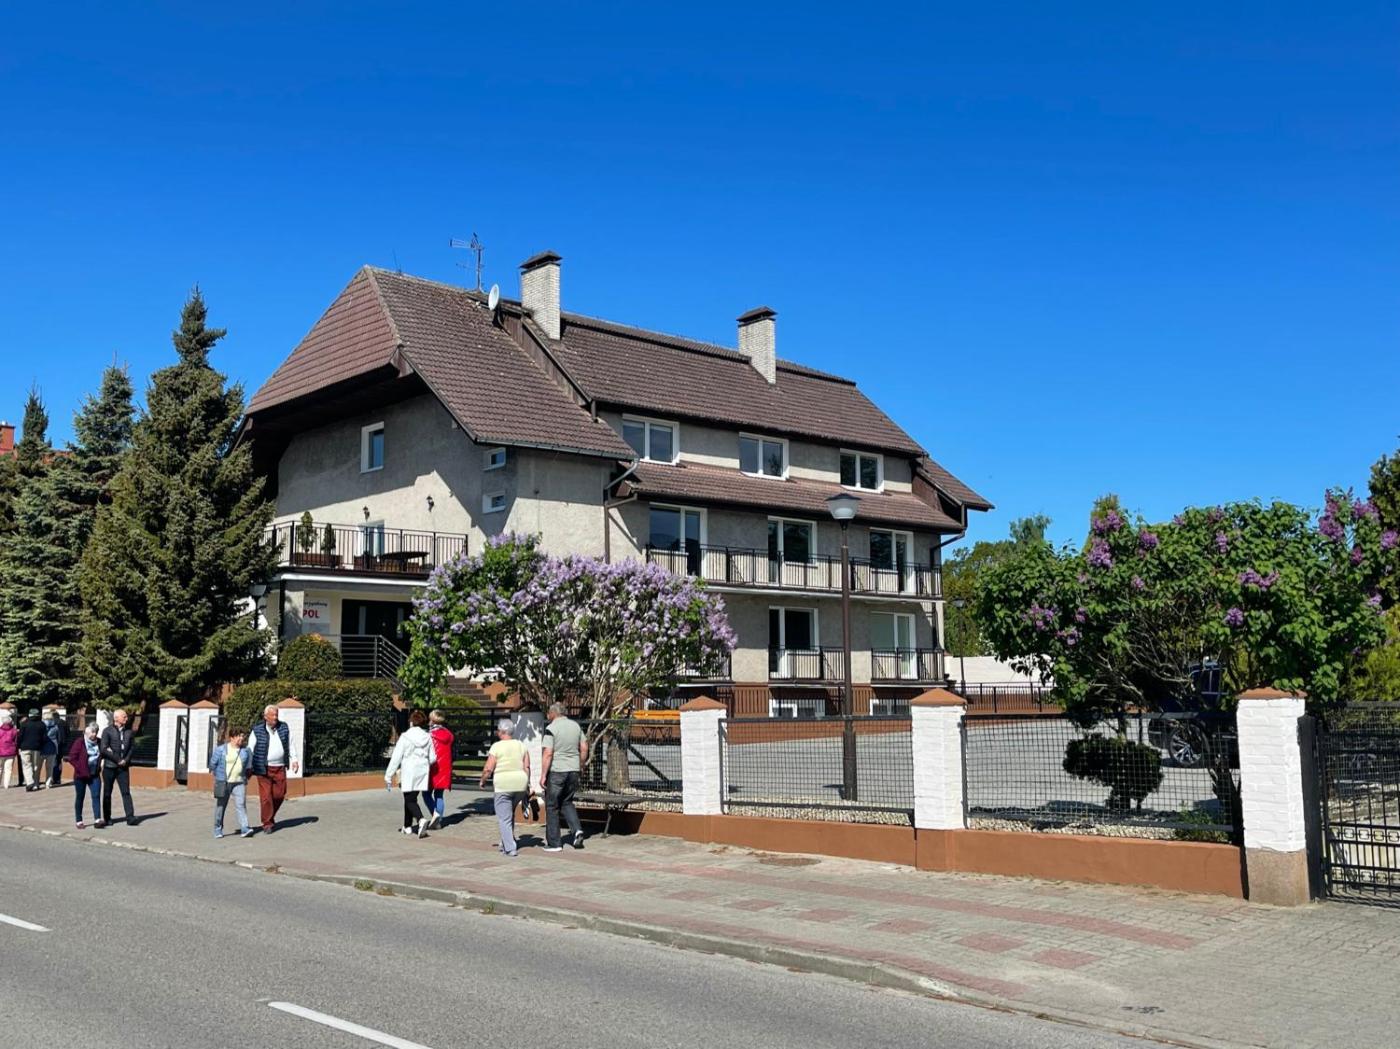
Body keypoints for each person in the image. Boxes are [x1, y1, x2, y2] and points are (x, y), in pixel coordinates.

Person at [540, 701, 587, 852]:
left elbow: (548, 753)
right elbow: (584, 747)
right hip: (573, 770)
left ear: (554, 713)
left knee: (552, 805)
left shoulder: (551, 728)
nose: (548, 715)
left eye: (548, 712)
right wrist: (581, 765)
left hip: (558, 770)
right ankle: (577, 830)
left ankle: (554, 843)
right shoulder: (576, 726)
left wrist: (543, 775)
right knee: (567, 801)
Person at [478, 718, 530, 857]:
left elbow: (489, 768)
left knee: (504, 818)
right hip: (520, 784)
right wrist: (527, 784)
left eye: (498, 730)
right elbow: (526, 767)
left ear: (501, 731)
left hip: (503, 785)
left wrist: (483, 780)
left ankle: (510, 848)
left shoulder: (496, 746)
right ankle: (505, 842)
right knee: (509, 814)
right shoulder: (521, 745)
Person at [247, 705, 299, 834]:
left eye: (276, 715)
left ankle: (269, 816)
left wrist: (294, 759)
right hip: (263, 767)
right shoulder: (257, 730)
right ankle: (267, 823)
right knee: (266, 797)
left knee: (279, 794)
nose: (275, 717)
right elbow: (250, 748)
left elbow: (290, 744)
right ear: (265, 717)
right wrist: (248, 765)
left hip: (280, 767)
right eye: (272, 715)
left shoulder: (284, 727)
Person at [385, 709, 435, 838]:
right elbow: (433, 758)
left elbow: (396, 757)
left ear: (411, 722)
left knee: (409, 799)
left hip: (409, 770)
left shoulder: (405, 737)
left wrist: (388, 775)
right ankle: (407, 826)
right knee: (411, 798)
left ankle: (420, 819)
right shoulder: (428, 737)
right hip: (422, 771)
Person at [210, 728, 253, 839]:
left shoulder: (245, 751)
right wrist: (218, 777)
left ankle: (245, 828)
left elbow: (248, 766)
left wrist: (246, 776)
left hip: (239, 782)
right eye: (239, 736)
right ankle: (217, 829)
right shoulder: (221, 750)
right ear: (232, 737)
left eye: (242, 736)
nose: (241, 738)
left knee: (241, 805)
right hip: (224, 782)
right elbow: (213, 764)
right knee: (221, 806)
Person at [98, 708, 136, 827]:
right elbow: (104, 749)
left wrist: (126, 760)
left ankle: (130, 817)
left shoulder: (128, 732)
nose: (126, 718)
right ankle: (107, 818)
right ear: (116, 718)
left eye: (126, 716)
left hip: (123, 768)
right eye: (124, 716)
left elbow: (132, 748)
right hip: (110, 767)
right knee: (107, 793)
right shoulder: (107, 731)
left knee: (126, 792)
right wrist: (118, 759)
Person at [66, 724, 102, 828]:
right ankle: (79, 820)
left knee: (96, 795)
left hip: (94, 774)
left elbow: (103, 753)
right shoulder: (80, 742)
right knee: (80, 797)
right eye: (92, 732)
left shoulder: (99, 742)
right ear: (86, 733)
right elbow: (72, 758)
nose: (94, 734)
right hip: (81, 775)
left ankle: (97, 819)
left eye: (95, 732)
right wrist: (80, 768)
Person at [422, 709, 454, 830]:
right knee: (439, 795)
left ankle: (435, 815)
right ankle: (438, 819)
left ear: (432, 720)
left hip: (433, 767)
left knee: (426, 794)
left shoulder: (429, 735)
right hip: (445, 768)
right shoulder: (449, 735)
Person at [18, 709, 48, 793]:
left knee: (26, 765)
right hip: (37, 748)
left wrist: (19, 746)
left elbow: (20, 736)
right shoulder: (42, 724)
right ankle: (35, 784)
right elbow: (44, 738)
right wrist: (41, 745)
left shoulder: (24, 724)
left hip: (25, 748)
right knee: (36, 766)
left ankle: (29, 782)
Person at [44, 707, 68, 788]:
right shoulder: (64, 722)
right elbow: (68, 733)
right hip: (62, 744)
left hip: (54, 744)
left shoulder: (53, 723)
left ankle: (53, 778)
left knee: (53, 762)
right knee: (59, 762)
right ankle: (58, 778)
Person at [0, 711, 17, 789]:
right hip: (11, 752)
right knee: (8, 769)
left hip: (0, 752)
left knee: (0, 768)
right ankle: (6, 785)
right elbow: (16, 741)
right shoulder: (14, 730)